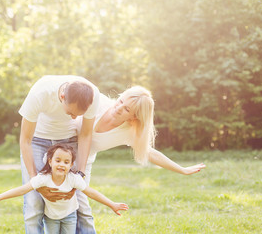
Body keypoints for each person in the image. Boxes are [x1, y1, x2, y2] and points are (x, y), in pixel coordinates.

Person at [39, 86, 206, 230]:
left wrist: (182, 170)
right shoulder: (98, 102)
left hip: (82, 165)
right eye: (120, 102)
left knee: (82, 210)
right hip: (56, 158)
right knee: (49, 203)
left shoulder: (128, 131)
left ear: (134, 117)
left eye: (127, 109)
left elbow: (150, 153)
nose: (118, 108)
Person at [0, 143, 128, 234]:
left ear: (71, 165)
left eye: (66, 162)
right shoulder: (43, 178)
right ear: (50, 161)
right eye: (58, 160)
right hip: (51, 217)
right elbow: (22, 190)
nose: (61, 164)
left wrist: (112, 204)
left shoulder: (73, 178)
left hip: (70, 216)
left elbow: (92, 193)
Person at [18, 75, 100, 234]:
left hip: (69, 141)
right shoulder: (40, 92)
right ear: (62, 97)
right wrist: (36, 181)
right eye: (71, 112)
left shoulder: (92, 94)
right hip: (36, 140)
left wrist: (81, 173)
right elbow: (25, 139)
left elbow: (85, 135)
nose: (75, 118)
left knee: (79, 199)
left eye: (79, 115)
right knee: (33, 201)